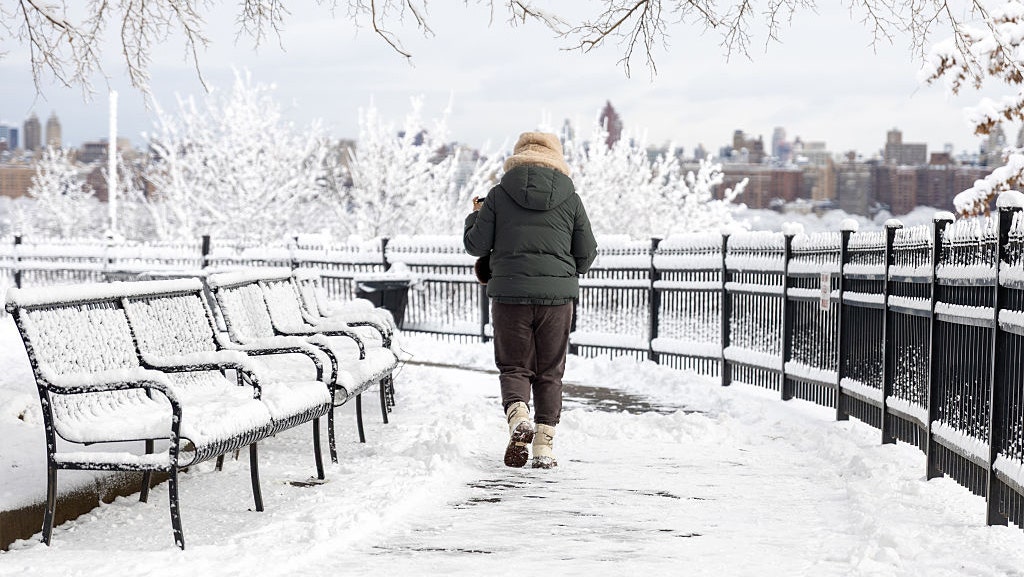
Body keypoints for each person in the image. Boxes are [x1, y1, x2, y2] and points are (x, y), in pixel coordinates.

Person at [463, 131, 598, 469]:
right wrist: (565, 272)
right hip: (557, 301)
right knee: (550, 372)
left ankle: (518, 415)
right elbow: (587, 253)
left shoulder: (498, 195)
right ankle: (543, 449)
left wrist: (476, 215)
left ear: (518, 156)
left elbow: (476, 246)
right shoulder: (571, 198)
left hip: (510, 295)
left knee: (514, 366)